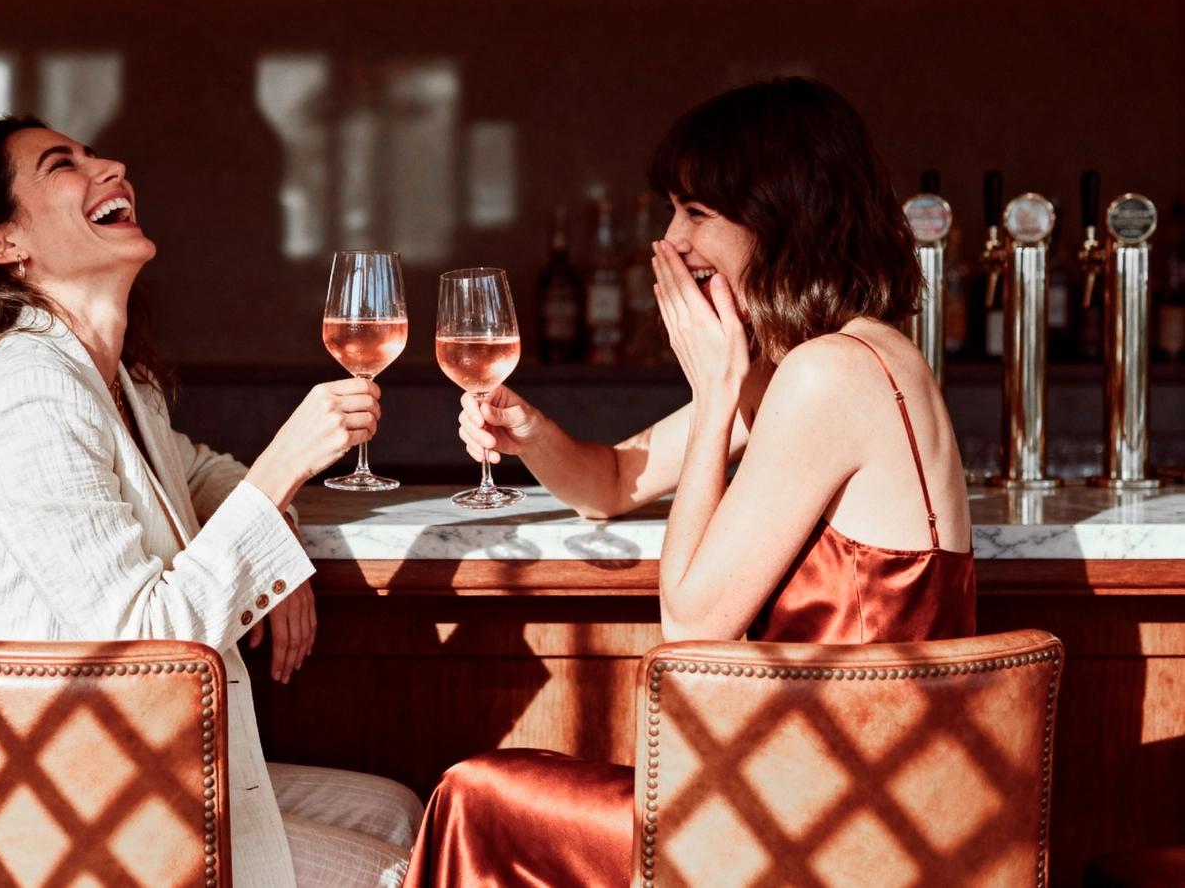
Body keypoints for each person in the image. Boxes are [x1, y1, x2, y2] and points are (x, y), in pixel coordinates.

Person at [403, 77, 977, 887]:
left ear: (783, 218)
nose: (670, 242)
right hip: (842, 794)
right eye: (673, 210)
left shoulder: (831, 375)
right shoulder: (833, 358)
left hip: (834, 826)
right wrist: (528, 432)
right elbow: (608, 481)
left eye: (698, 213)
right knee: (494, 793)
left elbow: (692, 628)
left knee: (476, 795)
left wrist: (713, 395)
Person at [0, 116, 423, 888]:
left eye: (95, 156)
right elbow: (140, 645)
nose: (112, 166)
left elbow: (206, 476)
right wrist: (288, 462)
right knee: (396, 871)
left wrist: (277, 540)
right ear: (1, 243)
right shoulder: (29, 392)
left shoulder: (116, 381)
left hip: (124, 766)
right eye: (62, 165)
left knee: (395, 811)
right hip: (62, 806)